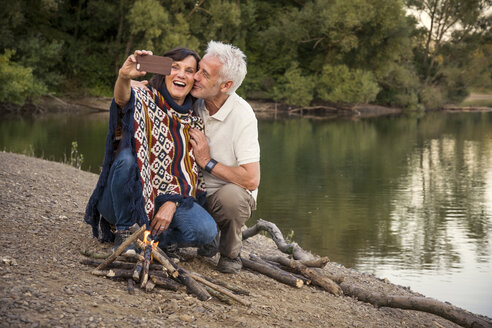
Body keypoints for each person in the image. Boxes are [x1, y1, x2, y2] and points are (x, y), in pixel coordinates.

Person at [84, 48, 217, 256]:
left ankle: (155, 238)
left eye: (189, 70)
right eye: (175, 67)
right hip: (124, 195)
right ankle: (124, 232)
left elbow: (188, 175)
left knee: (206, 231)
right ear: (163, 72)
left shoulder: (193, 121)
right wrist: (124, 77)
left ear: (194, 79)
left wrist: (172, 202)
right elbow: (121, 99)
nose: (181, 74)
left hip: (166, 197)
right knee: (128, 159)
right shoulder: (143, 96)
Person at [189, 41, 260, 274]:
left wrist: (207, 162)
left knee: (232, 198)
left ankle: (230, 253)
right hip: (191, 192)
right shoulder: (192, 99)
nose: (195, 76)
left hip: (225, 196)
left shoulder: (243, 115)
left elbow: (251, 180)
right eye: (198, 69)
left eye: (204, 74)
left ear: (225, 85)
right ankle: (206, 237)